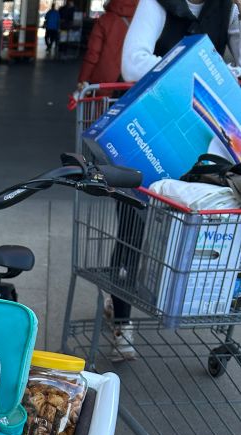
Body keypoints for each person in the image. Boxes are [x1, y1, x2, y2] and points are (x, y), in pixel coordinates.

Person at [104, 0, 241, 360]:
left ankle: (197, 297)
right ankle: (122, 320)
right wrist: (201, 69)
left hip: (198, 138)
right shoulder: (156, 3)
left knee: (207, 220)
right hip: (147, 130)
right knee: (132, 227)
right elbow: (132, 64)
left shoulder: (226, 10)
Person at [75, 0, 138, 96]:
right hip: (131, 83)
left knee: (99, 109)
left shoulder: (105, 20)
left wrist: (83, 79)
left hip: (103, 83)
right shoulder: (141, 21)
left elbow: (93, 54)